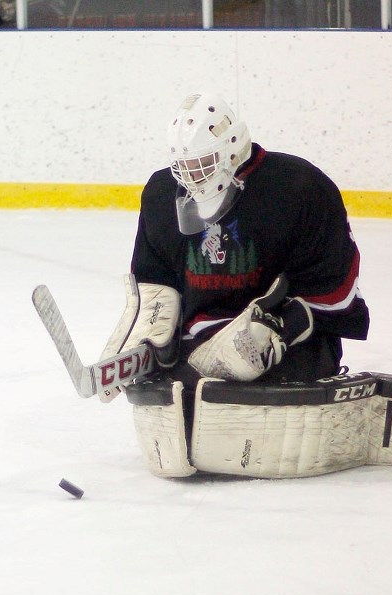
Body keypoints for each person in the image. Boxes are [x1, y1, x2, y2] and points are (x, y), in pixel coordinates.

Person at [115, 91, 369, 397]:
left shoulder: (299, 188)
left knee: (271, 384)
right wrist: (154, 324)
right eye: (185, 167)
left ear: (233, 148)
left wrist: (284, 324)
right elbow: (155, 275)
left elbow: (336, 288)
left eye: (203, 162)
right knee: (182, 393)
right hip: (196, 350)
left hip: (287, 349)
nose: (193, 178)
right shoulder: (161, 193)